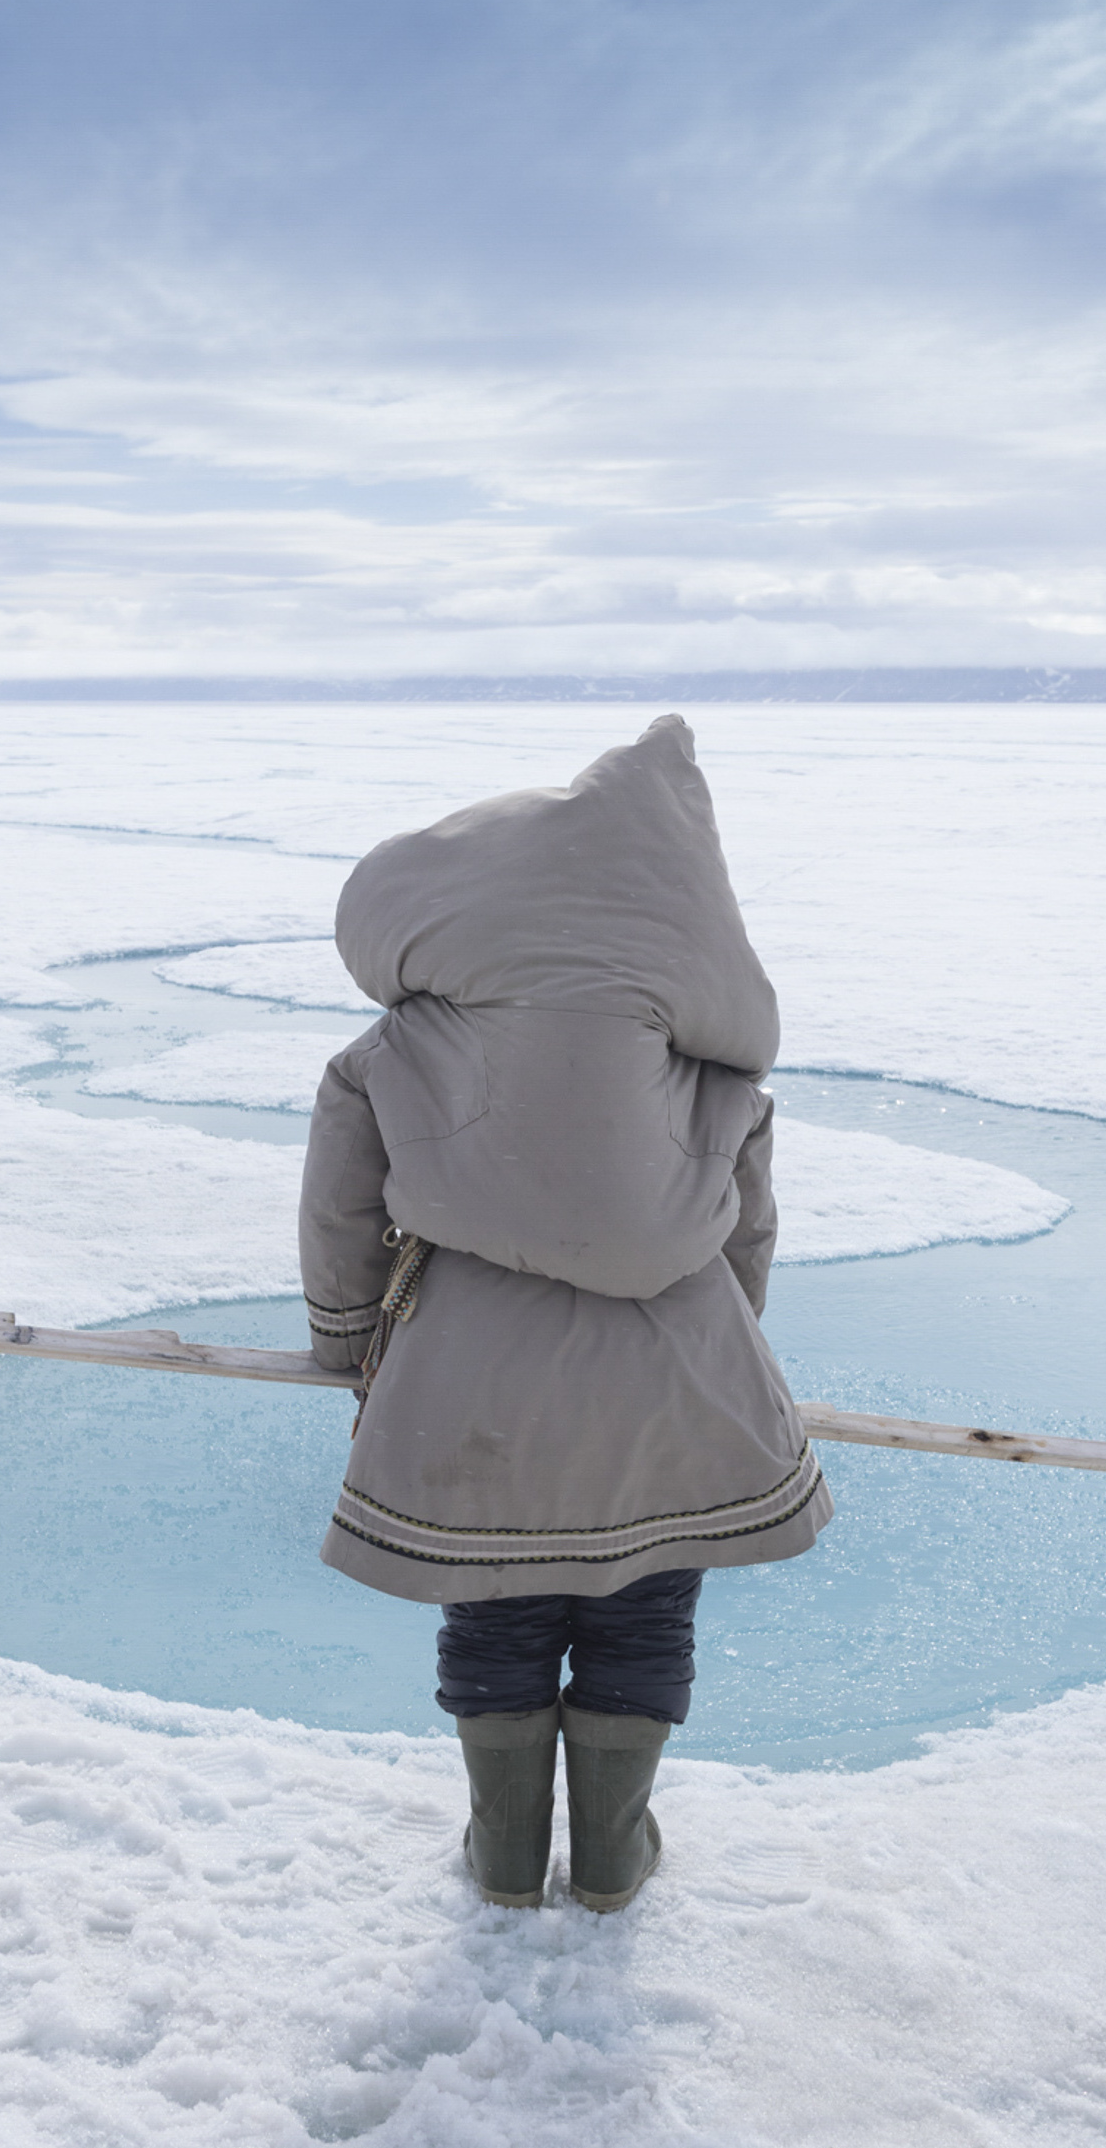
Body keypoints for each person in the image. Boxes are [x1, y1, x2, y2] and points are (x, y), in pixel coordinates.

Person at [300, 715, 831, 1912]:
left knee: (494, 1606)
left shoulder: (393, 1046)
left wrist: (348, 1347)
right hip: (680, 1380)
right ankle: (609, 1859)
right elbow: (744, 1238)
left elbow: (339, 1215)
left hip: (467, 1378)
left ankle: (500, 1858)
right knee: (642, 1604)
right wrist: (713, 1361)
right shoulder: (714, 1069)